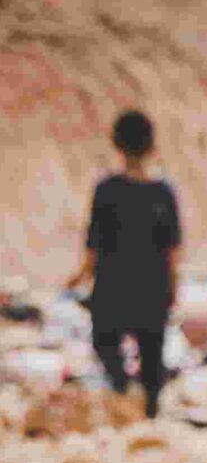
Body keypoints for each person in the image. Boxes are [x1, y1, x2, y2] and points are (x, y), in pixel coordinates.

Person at [67, 111, 181, 419]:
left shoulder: (107, 190)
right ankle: (149, 412)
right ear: (151, 145)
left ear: (117, 144)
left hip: (112, 286)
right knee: (152, 352)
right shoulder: (163, 192)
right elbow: (173, 249)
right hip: (152, 287)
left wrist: (79, 277)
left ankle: (121, 390)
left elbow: (93, 243)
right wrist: (174, 287)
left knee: (105, 342)